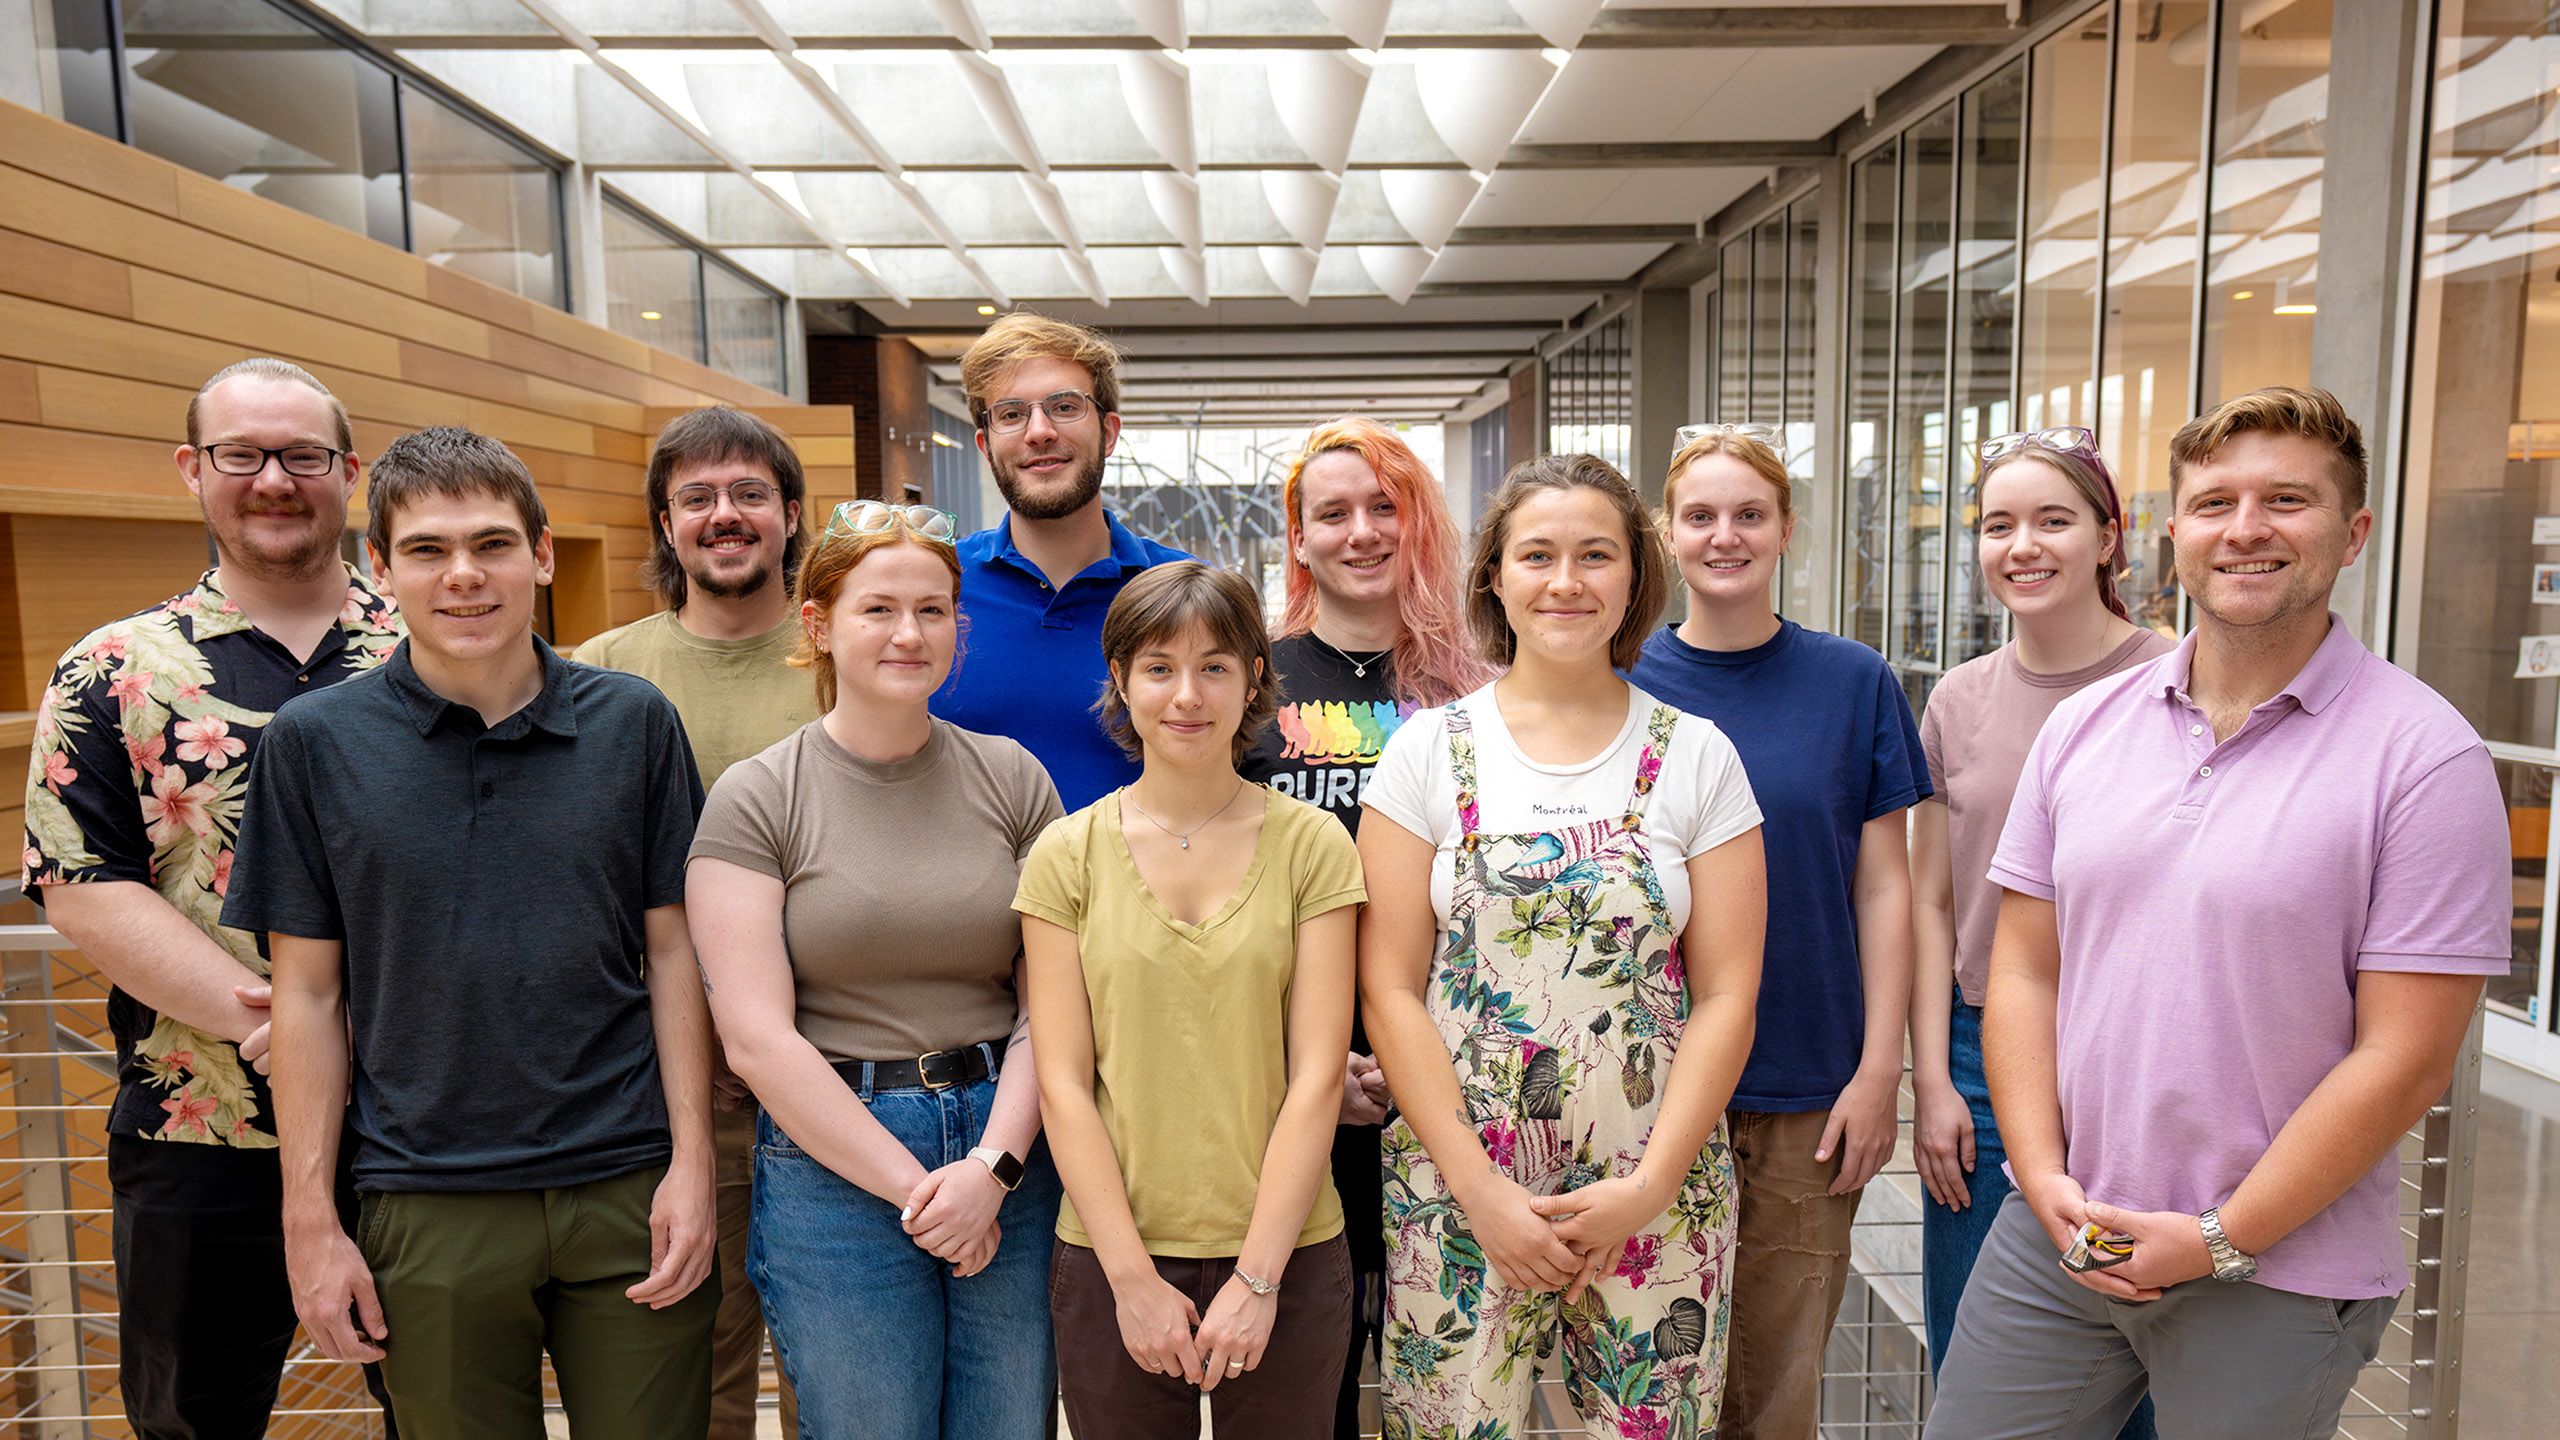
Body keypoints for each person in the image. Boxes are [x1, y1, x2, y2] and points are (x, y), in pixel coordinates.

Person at [1924, 388, 2512, 1439]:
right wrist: (2043, 1175)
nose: (2245, 529)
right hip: (2064, 1235)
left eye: (2286, 500)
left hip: (2276, 1266)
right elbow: (2023, 971)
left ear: (2352, 533)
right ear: (2170, 534)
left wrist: (2221, 1238)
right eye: (2214, 503)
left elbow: (2405, 1058)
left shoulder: (2425, 760)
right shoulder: (2084, 730)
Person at [223, 427, 719, 1440]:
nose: (464, 577)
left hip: (627, 1183)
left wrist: (694, 1164)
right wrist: (309, 1220)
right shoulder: (313, 746)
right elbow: (308, 996)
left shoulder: (635, 723)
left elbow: (674, 953)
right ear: (379, 567)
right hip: (424, 1199)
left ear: (541, 553)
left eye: (493, 545)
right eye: (428, 550)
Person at [20, 357, 402, 1440]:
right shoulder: (110, 672)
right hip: (198, 1131)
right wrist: (288, 1022)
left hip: (414, 1130)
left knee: (438, 1412)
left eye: (303, 456)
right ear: (194, 470)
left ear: (349, 472)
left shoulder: (435, 655)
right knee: (192, 1420)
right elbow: (83, 886)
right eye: (243, 454)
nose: (273, 479)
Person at [1363, 454, 1767, 1438]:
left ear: (1632, 576)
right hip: (1459, 1192)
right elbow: (1388, 986)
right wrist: (1478, 1190)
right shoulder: (1428, 750)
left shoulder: (1695, 753)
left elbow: (1726, 994)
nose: (1565, 581)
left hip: (1651, 1186)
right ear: (1495, 577)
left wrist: (1649, 1187)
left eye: (1595, 555)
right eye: (1536, 555)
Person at [687, 499, 1064, 1438]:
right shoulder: (757, 797)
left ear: (959, 630)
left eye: (933, 610)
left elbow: (1055, 1008)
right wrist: (918, 1192)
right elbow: (755, 1038)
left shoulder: (1015, 778)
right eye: (879, 608)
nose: (910, 632)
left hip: (1005, 1150)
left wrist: (992, 1171)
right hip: (835, 1165)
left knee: (1009, 1425)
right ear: (817, 625)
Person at [1624, 425, 1929, 1440]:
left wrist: (1878, 1069)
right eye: (1700, 516)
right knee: (1648, 1384)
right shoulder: (1622, 690)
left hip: (1806, 1089)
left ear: (1786, 529)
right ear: (1667, 534)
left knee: (1775, 1392)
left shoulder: (1852, 684)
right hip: (1651, 1092)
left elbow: (1884, 887)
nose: (1725, 536)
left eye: (1748, 514)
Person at [1018, 561, 1361, 1440]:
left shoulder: (1312, 845)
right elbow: (1062, 1083)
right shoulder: (1067, 854)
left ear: (1254, 679)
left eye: (1215, 665)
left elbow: (1319, 1077)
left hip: (1287, 1251)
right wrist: (1132, 1283)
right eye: (1159, 667)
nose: (1187, 694)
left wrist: (1256, 1281)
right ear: (1122, 682)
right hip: (1112, 1254)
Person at [1908, 427, 2168, 1439]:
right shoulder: (1958, 699)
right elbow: (1931, 902)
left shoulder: (2173, 682)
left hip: (2132, 1056)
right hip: (1982, 1055)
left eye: (2054, 521)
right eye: (2000, 524)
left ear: (2109, 538)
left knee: (2132, 1344)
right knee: (1984, 1359)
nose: (2023, 545)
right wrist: (1929, 1081)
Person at [1239, 417, 1491, 1438]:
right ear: (1296, 540)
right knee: (1317, 1381)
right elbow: (1214, 887)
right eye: (1330, 513)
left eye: (1382, 507)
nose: (1359, 532)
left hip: (1456, 1068)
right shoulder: (1247, 680)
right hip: (1299, 1078)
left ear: (1417, 520)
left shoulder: (1480, 687)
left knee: (1454, 1374)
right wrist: (1304, 1065)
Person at [576, 405, 813, 1440]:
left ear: (790, 515)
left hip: (832, 1082)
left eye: (749, 493)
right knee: (696, 1382)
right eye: (698, 497)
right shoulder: (595, 676)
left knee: (838, 1377)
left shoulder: (844, 654)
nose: (726, 515)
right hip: (672, 1099)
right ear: (665, 525)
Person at [930, 313, 1190, 811]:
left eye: (1065, 407)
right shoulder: (933, 589)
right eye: (1010, 414)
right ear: (986, 446)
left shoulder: (1182, 593)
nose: (1039, 432)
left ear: (1108, 432)